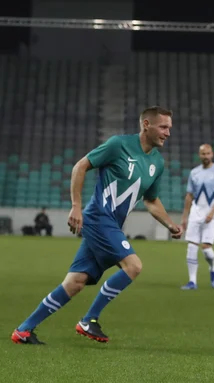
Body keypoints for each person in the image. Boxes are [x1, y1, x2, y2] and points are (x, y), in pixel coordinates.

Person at [11, 106, 183, 345]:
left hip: (111, 224)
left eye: (169, 128)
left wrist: (170, 224)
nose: (168, 133)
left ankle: (24, 330)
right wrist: (76, 206)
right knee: (133, 265)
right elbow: (80, 166)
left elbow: (151, 200)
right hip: (98, 218)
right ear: (146, 124)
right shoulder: (118, 145)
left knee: (75, 282)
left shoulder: (157, 163)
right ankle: (89, 319)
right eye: (163, 127)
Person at [181, 144, 214, 290]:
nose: (206, 156)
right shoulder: (194, 172)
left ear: (212, 154)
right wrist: (185, 216)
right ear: (199, 155)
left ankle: (213, 268)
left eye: (208, 153)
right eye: (203, 154)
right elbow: (189, 195)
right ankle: (192, 281)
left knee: (206, 249)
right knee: (191, 246)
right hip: (196, 211)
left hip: (212, 211)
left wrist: (212, 212)